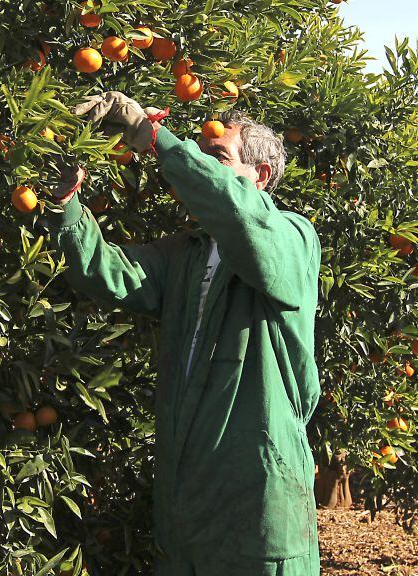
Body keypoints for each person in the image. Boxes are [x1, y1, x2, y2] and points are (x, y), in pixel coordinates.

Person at [47, 92, 322, 576]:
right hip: (186, 502)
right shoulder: (187, 253)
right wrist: (66, 202)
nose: (199, 165)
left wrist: (155, 138)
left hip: (256, 497)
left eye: (216, 157)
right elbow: (107, 272)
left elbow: (241, 215)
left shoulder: (291, 237)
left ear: (258, 175)